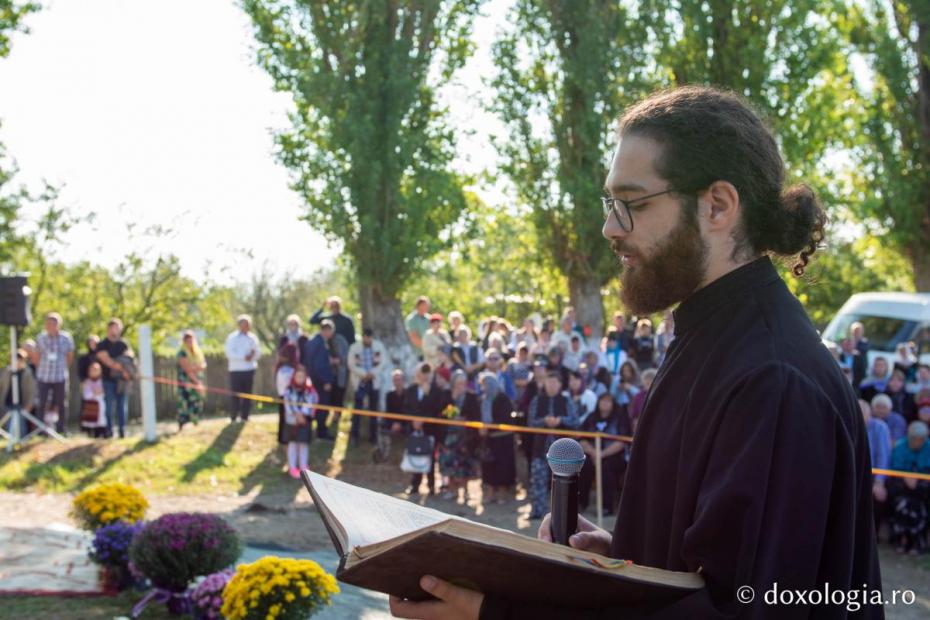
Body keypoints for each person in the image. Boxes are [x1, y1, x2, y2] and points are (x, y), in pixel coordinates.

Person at [391, 86, 882, 619]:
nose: (610, 227)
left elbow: (739, 611)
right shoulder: (708, 334)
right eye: (610, 204)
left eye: (631, 204)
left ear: (717, 205)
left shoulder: (773, 377)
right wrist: (626, 560)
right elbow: (698, 571)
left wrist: (497, 614)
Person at [526, 370, 579, 520]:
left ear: (560, 385)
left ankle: (563, 512)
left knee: (564, 481)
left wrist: (560, 420)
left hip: (562, 448)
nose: (552, 385)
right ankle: (538, 511)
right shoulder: (537, 400)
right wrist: (544, 421)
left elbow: (575, 420)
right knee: (537, 479)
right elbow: (530, 422)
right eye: (549, 382)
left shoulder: (566, 400)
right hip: (540, 446)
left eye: (555, 382)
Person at [578, 392, 632, 516]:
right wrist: (593, 452)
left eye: (608, 401)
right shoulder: (591, 417)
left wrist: (602, 454)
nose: (604, 403)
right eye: (602, 401)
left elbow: (621, 442)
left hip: (614, 456)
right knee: (583, 466)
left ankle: (606, 506)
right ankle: (582, 502)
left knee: (606, 468)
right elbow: (582, 438)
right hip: (592, 454)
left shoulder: (619, 418)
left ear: (613, 404)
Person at [403, 363, 450, 496]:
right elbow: (406, 408)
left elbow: (437, 409)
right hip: (414, 429)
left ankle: (431, 486)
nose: (422, 376)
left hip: (430, 429)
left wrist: (423, 419)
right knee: (415, 454)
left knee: (430, 458)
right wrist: (413, 421)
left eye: (425, 373)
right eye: (420, 373)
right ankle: (415, 485)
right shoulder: (411, 389)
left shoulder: (435, 391)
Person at [887, 421, 930, 555]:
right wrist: (906, 477)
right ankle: (900, 539)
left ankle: (917, 542)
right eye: (914, 439)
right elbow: (895, 467)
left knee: (919, 503)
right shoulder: (900, 446)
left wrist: (918, 479)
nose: (917, 442)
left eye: (920, 440)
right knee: (902, 502)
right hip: (901, 483)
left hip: (923, 486)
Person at [439, 370, 480, 502]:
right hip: (448, 436)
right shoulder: (445, 395)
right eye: (458, 383)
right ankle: (452, 490)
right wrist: (453, 398)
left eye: (463, 383)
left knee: (464, 465)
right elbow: (440, 413)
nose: (460, 386)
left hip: (465, 437)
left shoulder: (471, 397)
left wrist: (465, 420)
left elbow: (476, 416)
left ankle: (466, 491)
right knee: (449, 464)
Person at [477, 372, 517, 504]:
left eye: (485, 385)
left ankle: (502, 494)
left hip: (503, 439)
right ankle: (490, 493)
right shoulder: (483, 400)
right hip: (489, 440)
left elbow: (505, 419)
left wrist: (489, 427)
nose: (484, 388)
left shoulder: (503, 398)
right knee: (488, 467)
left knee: (503, 467)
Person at [33, 312, 75, 434]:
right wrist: (41, 368)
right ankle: (40, 430)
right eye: (49, 323)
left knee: (61, 403)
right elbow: (36, 357)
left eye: (54, 323)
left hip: (60, 376)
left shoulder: (66, 338)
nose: (51, 326)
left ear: (59, 325)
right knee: (41, 403)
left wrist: (63, 368)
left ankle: (61, 429)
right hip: (43, 376)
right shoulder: (40, 338)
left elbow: (70, 356)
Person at [348, 328, 387, 444]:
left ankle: (373, 436)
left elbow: (382, 362)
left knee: (373, 409)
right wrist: (364, 374)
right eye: (365, 336)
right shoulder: (355, 348)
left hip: (373, 381)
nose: (367, 339)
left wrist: (372, 373)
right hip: (360, 381)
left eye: (369, 336)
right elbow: (351, 364)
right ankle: (355, 435)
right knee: (358, 409)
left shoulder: (378, 346)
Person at [95, 318, 132, 438]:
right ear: (108, 329)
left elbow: (130, 359)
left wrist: (127, 372)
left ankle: (122, 431)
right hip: (108, 380)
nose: (114, 331)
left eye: (117, 328)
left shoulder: (124, 344)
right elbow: (108, 361)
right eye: (112, 328)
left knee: (122, 407)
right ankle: (109, 431)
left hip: (122, 381)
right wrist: (122, 369)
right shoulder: (102, 345)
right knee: (109, 407)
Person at [301, 320, 336, 440]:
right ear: (326, 330)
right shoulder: (319, 343)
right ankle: (321, 432)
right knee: (322, 407)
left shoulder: (314, 342)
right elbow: (319, 365)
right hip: (320, 382)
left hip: (313, 380)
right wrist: (326, 381)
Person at [860, 399, 891, 534]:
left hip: (874, 475)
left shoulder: (880, 427)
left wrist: (879, 482)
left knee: (877, 495)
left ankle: (872, 534)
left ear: (869, 414)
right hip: (855, 474)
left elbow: (883, 457)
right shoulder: (848, 424)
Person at [224, 315, 261, 423]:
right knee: (235, 394)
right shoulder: (232, 338)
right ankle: (233, 416)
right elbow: (229, 353)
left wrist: (252, 356)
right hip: (236, 370)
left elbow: (258, 352)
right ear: (239, 325)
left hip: (249, 369)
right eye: (243, 324)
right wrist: (243, 357)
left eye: (247, 325)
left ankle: (245, 416)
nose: (245, 327)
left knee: (247, 394)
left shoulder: (253, 338)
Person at [283, 365, 317, 479]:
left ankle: (303, 467)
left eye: (302, 376)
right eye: (298, 376)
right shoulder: (288, 390)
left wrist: (303, 415)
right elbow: (287, 404)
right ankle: (292, 467)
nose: (300, 379)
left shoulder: (309, 390)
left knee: (303, 445)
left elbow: (310, 403)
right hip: (292, 421)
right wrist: (296, 415)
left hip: (304, 421)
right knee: (292, 444)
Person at [176, 330, 206, 430]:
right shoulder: (182, 353)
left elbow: (203, 364)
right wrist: (197, 382)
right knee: (185, 403)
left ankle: (195, 422)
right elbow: (187, 369)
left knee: (197, 402)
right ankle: (182, 424)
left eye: (191, 339)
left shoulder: (197, 352)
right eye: (187, 340)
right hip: (187, 383)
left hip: (197, 380)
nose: (190, 342)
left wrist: (196, 369)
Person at [1, 349, 36, 432]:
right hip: (6, 403)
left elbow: (32, 391)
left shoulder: (27, 373)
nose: (16, 361)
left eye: (18, 359)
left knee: (19, 426)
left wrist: (28, 406)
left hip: (21, 405)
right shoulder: (6, 371)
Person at [275, 343, 299, 444]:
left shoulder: (284, 368)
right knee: (287, 419)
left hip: (285, 396)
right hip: (287, 397)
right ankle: (285, 439)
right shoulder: (286, 370)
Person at [80, 361, 108, 438]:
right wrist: (95, 393)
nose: (94, 372)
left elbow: (103, 393)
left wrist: (96, 393)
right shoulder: (87, 382)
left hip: (100, 405)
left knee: (100, 421)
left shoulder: (103, 382)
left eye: (96, 370)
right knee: (89, 423)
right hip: (90, 406)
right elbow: (86, 395)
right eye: (92, 370)